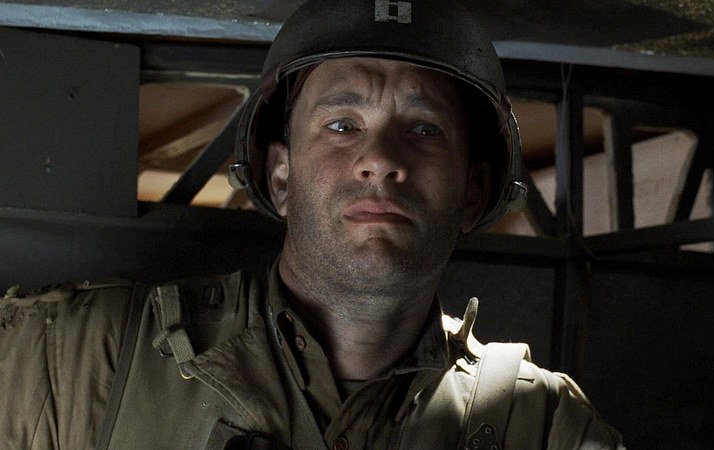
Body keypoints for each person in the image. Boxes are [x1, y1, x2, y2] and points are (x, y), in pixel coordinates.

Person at [0, 0, 623, 448]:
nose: (380, 159)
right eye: (342, 125)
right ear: (281, 177)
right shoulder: (76, 358)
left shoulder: (545, 427)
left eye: (423, 129)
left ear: (473, 191)